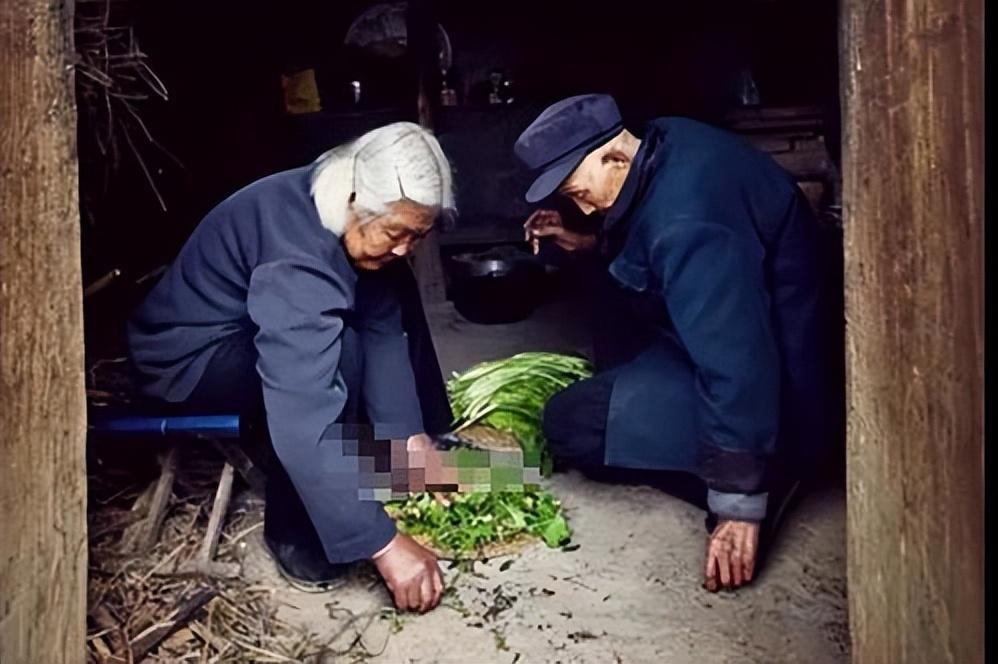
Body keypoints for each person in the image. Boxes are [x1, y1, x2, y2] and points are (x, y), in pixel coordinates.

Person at [127, 122, 457, 613]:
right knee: (337, 355)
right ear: (353, 200)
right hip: (187, 360)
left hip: (257, 329)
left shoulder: (346, 204)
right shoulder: (296, 257)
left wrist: (408, 438)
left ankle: (371, 469)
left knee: (390, 285)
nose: (406, 246)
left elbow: (383, 329)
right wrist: (385, 546)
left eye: (419, 235)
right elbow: (303, 416)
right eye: (396, 232)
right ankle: (300, 539)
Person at [515, 94, 834, 592]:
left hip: (780, 393)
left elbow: (738, 360)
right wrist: (587, 244)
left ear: (615, 157)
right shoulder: (666, 141)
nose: (580, 206)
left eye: (579, 191)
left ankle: (769, 476)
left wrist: (738, 502)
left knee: (569, 424)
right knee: (609, 288)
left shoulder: (688, 223)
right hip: (747, 336)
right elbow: (649, 243)